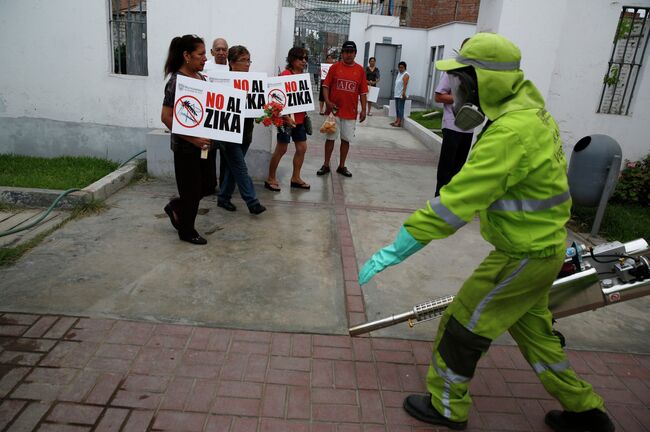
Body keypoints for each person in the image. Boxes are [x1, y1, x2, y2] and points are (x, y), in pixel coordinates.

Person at [358, 33, 614, 432]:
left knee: (461, 326)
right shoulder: (530, 113)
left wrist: (398, 247)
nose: (452, 91)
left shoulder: (510, 133)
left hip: (522, 256)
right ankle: (586, 411)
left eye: (459, 82)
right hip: (543, 249)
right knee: (537, 336)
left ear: (482, 82)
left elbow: (455, 203)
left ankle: (446, 406)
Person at [160, 35, 214, 245]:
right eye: (201, 54)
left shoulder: (202, 79)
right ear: (186, 55)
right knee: (190, 191)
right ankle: (187, 231)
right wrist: (193, 139)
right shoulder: (176, 82)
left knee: (209, 185)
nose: (204, 58)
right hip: (185, 147)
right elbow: (166, 117)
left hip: (205, 145)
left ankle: (176, 207)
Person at [216, 46, 266, 215]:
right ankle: (252, 202)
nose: (247, 64)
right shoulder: (222, 81)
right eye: (243, 60)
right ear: (232, 63)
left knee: (233, 168)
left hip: (246, 133)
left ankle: (223, 197)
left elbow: (257, 109)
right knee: (240, 168)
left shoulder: (253, 82)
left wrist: (263, 114)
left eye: (248, 60)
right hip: (228, 134)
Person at [317, 41, 368, 178]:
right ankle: (326, 164)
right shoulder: (334, 67)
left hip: (350, 113)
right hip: (334, 112)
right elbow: (326, 86)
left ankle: (341, 166)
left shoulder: (360, 70)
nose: (348, 54)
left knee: (346, 140)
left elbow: (363, 92)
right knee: (330, 138)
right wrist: (327, 102)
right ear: (342, 53)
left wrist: (363, 109)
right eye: (346, 51)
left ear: (355, 53)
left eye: (351, 52)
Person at [264, 47, 311, 192]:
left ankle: (296, 178)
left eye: (305, 59)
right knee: (282, 148)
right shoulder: (284, 75)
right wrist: (284, 117)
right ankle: (271, 178)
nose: (304, 61)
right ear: (292, 59)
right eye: (301, 58)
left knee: (302, 148)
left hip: (300, 119)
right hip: (285, 120)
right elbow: (276, 98)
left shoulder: (302, 76)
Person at [202, 37, 229, 189]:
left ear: (228, 51)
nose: (220, 52)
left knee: (226, 155)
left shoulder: (232, 68)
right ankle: (209, 184)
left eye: (223, 49)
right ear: (212, 51)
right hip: (209, 117)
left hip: (226, 118)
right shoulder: (204, 67)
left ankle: (224, 186)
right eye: (217, 49)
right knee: (208, 153)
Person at [390, 61, 409, 127]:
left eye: (402, 67)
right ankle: (397, 120)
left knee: (400, 108)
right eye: (399, 67)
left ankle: (399, 122)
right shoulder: (399, 74)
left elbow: (405, 84)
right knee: (397, 108)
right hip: (397, 94)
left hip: (401, 94)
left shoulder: (406, 74)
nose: (400, 69)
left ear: (405, 68)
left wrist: (403, 93)